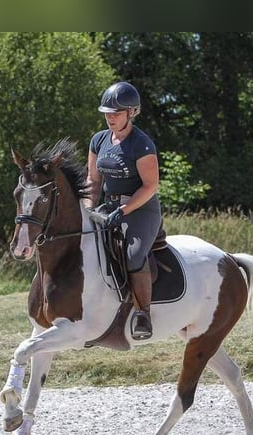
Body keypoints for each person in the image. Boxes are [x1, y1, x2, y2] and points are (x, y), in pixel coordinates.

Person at [84, 81, 161, 340]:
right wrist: (88, 210)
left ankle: (143, 315)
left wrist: (125, 210)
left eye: (116, 113)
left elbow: (151, 186)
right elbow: (93, 181)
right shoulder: (98, 140)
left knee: (133, 254)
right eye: (107, 112)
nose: (110, 117)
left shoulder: (142, 144)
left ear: (132, 113)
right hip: (109, 206)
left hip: (141, 208)